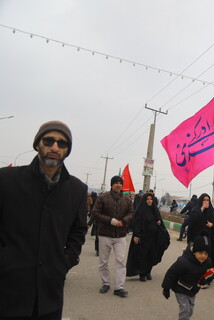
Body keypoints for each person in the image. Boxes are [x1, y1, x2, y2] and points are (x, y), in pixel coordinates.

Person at [0, 120, 88, 319]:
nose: (55, 147)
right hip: (8, 289)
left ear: (67, 150)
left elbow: (78, 231)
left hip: (50, 291)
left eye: (62, 143)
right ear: (37, 144)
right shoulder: (6, 180)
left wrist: (66, 261)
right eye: (49, 141)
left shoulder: (77, 190)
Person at [91, 176, 135, 298]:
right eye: (116, 183)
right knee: (103, 262)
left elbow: (132, 213)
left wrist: (123, 221)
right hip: (105, 234)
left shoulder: (127, 199)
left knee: (121, 261)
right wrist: (111, 221)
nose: (118, 185)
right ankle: (105, 283)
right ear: (111, 185)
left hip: (120, 235)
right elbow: (95, 213)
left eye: (120, 183)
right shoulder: (102, 197)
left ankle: (119, 287)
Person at [162, 232, 214, 320]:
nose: (203, 256)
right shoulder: (183, 262)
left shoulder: (207, 262)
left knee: (190, 310)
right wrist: (166, 288)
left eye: (206, 253)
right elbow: (171, 274)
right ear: (194, 252)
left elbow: (204, 274)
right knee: (185, 310)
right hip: (180, 288)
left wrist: (203, 280)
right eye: (200, 252)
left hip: (193, 289)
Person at [126, 193, 170, 281]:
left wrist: (159, 222)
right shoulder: (141, 210)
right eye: (147, 199)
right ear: (144, 201)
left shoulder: (154, 209)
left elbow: (159, 220)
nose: (150, 201)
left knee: (152, 254)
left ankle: (148, 271)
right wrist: (137, 235)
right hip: (143, 237)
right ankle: (142, 273)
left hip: (154, 237)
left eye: (151, 199)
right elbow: (137, 223)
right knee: (143, 255)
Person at [186, 193, 214, 286]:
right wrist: (201, 209)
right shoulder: (196, 210)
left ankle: (205, 278)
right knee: (196, 259)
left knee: (208, 259)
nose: (206, 202)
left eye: (208, 200)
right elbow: (193, 220)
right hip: (198, 240)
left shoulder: (211, 211)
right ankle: (195, 277)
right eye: (204, 200)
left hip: (209, 240)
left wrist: (212, 225)